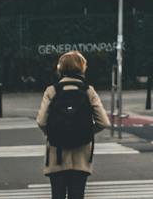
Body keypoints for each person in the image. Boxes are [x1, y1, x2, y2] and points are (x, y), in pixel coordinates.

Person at [36, 50, 111, 199]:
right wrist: (86, 132)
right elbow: (104, 122)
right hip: (81, 154)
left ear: (60, 68)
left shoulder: (52, 90)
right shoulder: (88, 91)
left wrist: (53, 133)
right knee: (77, 195)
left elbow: (41, 121)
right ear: (82, 68)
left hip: (56, 154)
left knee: (57, 195)